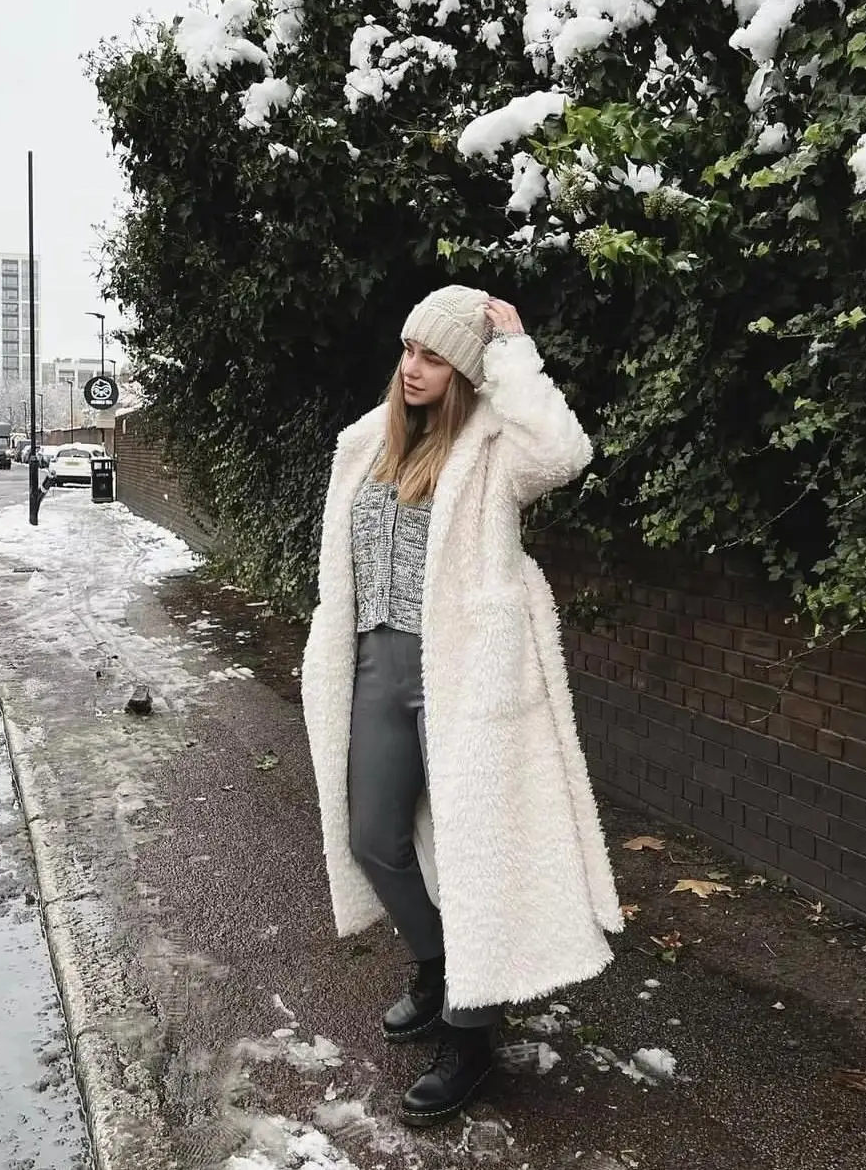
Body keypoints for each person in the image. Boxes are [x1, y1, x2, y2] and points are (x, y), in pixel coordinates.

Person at [301, 285, 623, 1127]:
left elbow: (563, 453)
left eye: (435, 356)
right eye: (409, 349)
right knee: (371, 836)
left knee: (476, 854)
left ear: (466, 370)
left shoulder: (493, 451)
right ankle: (443, 969)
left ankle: (471, 1038)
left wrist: (515, 351)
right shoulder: (365, 443)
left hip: (466, 676)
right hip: (375, 662)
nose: (414, 368)